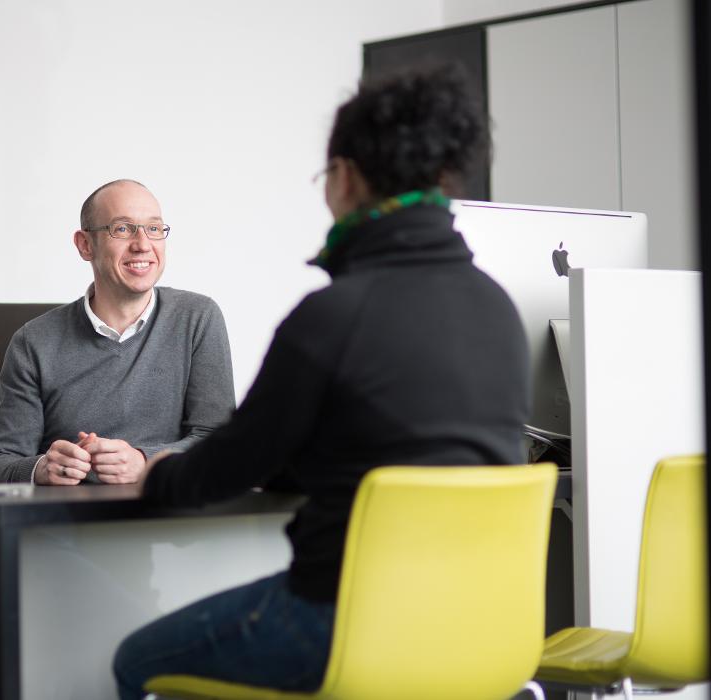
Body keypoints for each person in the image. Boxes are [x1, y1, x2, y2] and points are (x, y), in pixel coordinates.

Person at [112, 65, 532, 698]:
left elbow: (225, 466)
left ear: (347, 176)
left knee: (135, 659)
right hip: (478, 623)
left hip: (342, 621)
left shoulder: (334, 317)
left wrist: (155, 472)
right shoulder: (496, 308)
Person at [0, 179, 235, 485]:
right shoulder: (33, 342)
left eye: (154, 229)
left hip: (167, 519)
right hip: (69, 522)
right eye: (122, 229)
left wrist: (145, 461)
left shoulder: (197, 318)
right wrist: (41, 469)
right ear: (85, 245)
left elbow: (220, 443)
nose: (143, 244)